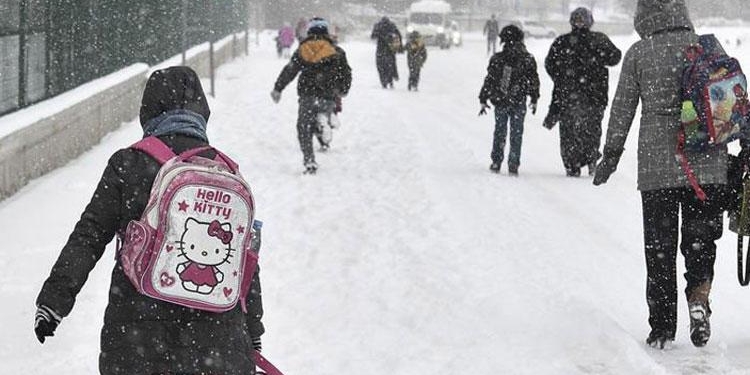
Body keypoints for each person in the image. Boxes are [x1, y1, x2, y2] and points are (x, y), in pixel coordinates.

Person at [33, 66, 265, 374]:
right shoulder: (225, 172)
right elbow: (244, 259)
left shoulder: (128, 164)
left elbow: (89, 235)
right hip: (218, 339)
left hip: (138, 334)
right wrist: (253, 329)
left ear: (149, 110)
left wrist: (54, 301)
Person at [593, 0, 724, 349]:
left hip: (658, 166)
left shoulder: (639, 52)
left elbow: (622, 107)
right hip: (707, 163)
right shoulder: (706, 45)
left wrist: (611, 154)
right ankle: (699, 300)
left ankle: (663, 327)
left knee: (660, 249)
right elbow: (729, 101)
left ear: (643, 16)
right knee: (700, 243)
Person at [544, 7, 621, 177]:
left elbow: (550, 64)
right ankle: (588, 159)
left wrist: (562, 78)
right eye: (577, 19)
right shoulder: (597, 40)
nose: (579, 23)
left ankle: (575, 163)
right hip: (593, 94)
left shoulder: (563, 42)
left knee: (572, 132)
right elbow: (615, 57)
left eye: (581, 20)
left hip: (573, 95)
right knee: (588, 130)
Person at [271, 17, 352, 174]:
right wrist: (343, 90)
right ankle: (325, 122)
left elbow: (290, 70)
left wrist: (278, 88)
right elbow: (346, 73)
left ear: (309, 31)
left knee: (304, 127)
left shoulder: (303, 49)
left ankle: (309, 161)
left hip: (307, 95)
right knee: (321, 115)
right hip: (328, 95)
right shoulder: (337, 52)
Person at [478, 24, 539, 176]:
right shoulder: (527, 59)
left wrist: (484, 97)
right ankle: (513, 163)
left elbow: (490, 80)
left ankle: (496, 161)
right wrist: (534, 97)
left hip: (501, 100)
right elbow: (533, 80)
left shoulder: (498, 58)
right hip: (519, 100)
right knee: (516, 133)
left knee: (500, 131)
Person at [371, 16, 402, 89]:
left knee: (381, 66)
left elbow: (373, 36)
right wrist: (400, 47)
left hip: (380, 49)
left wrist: (380, 35)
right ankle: (391, 80)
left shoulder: (378, 26)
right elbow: (398, 35)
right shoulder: (392, 26)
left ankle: (383, 82)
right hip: (390, 49)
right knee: (390, 65)